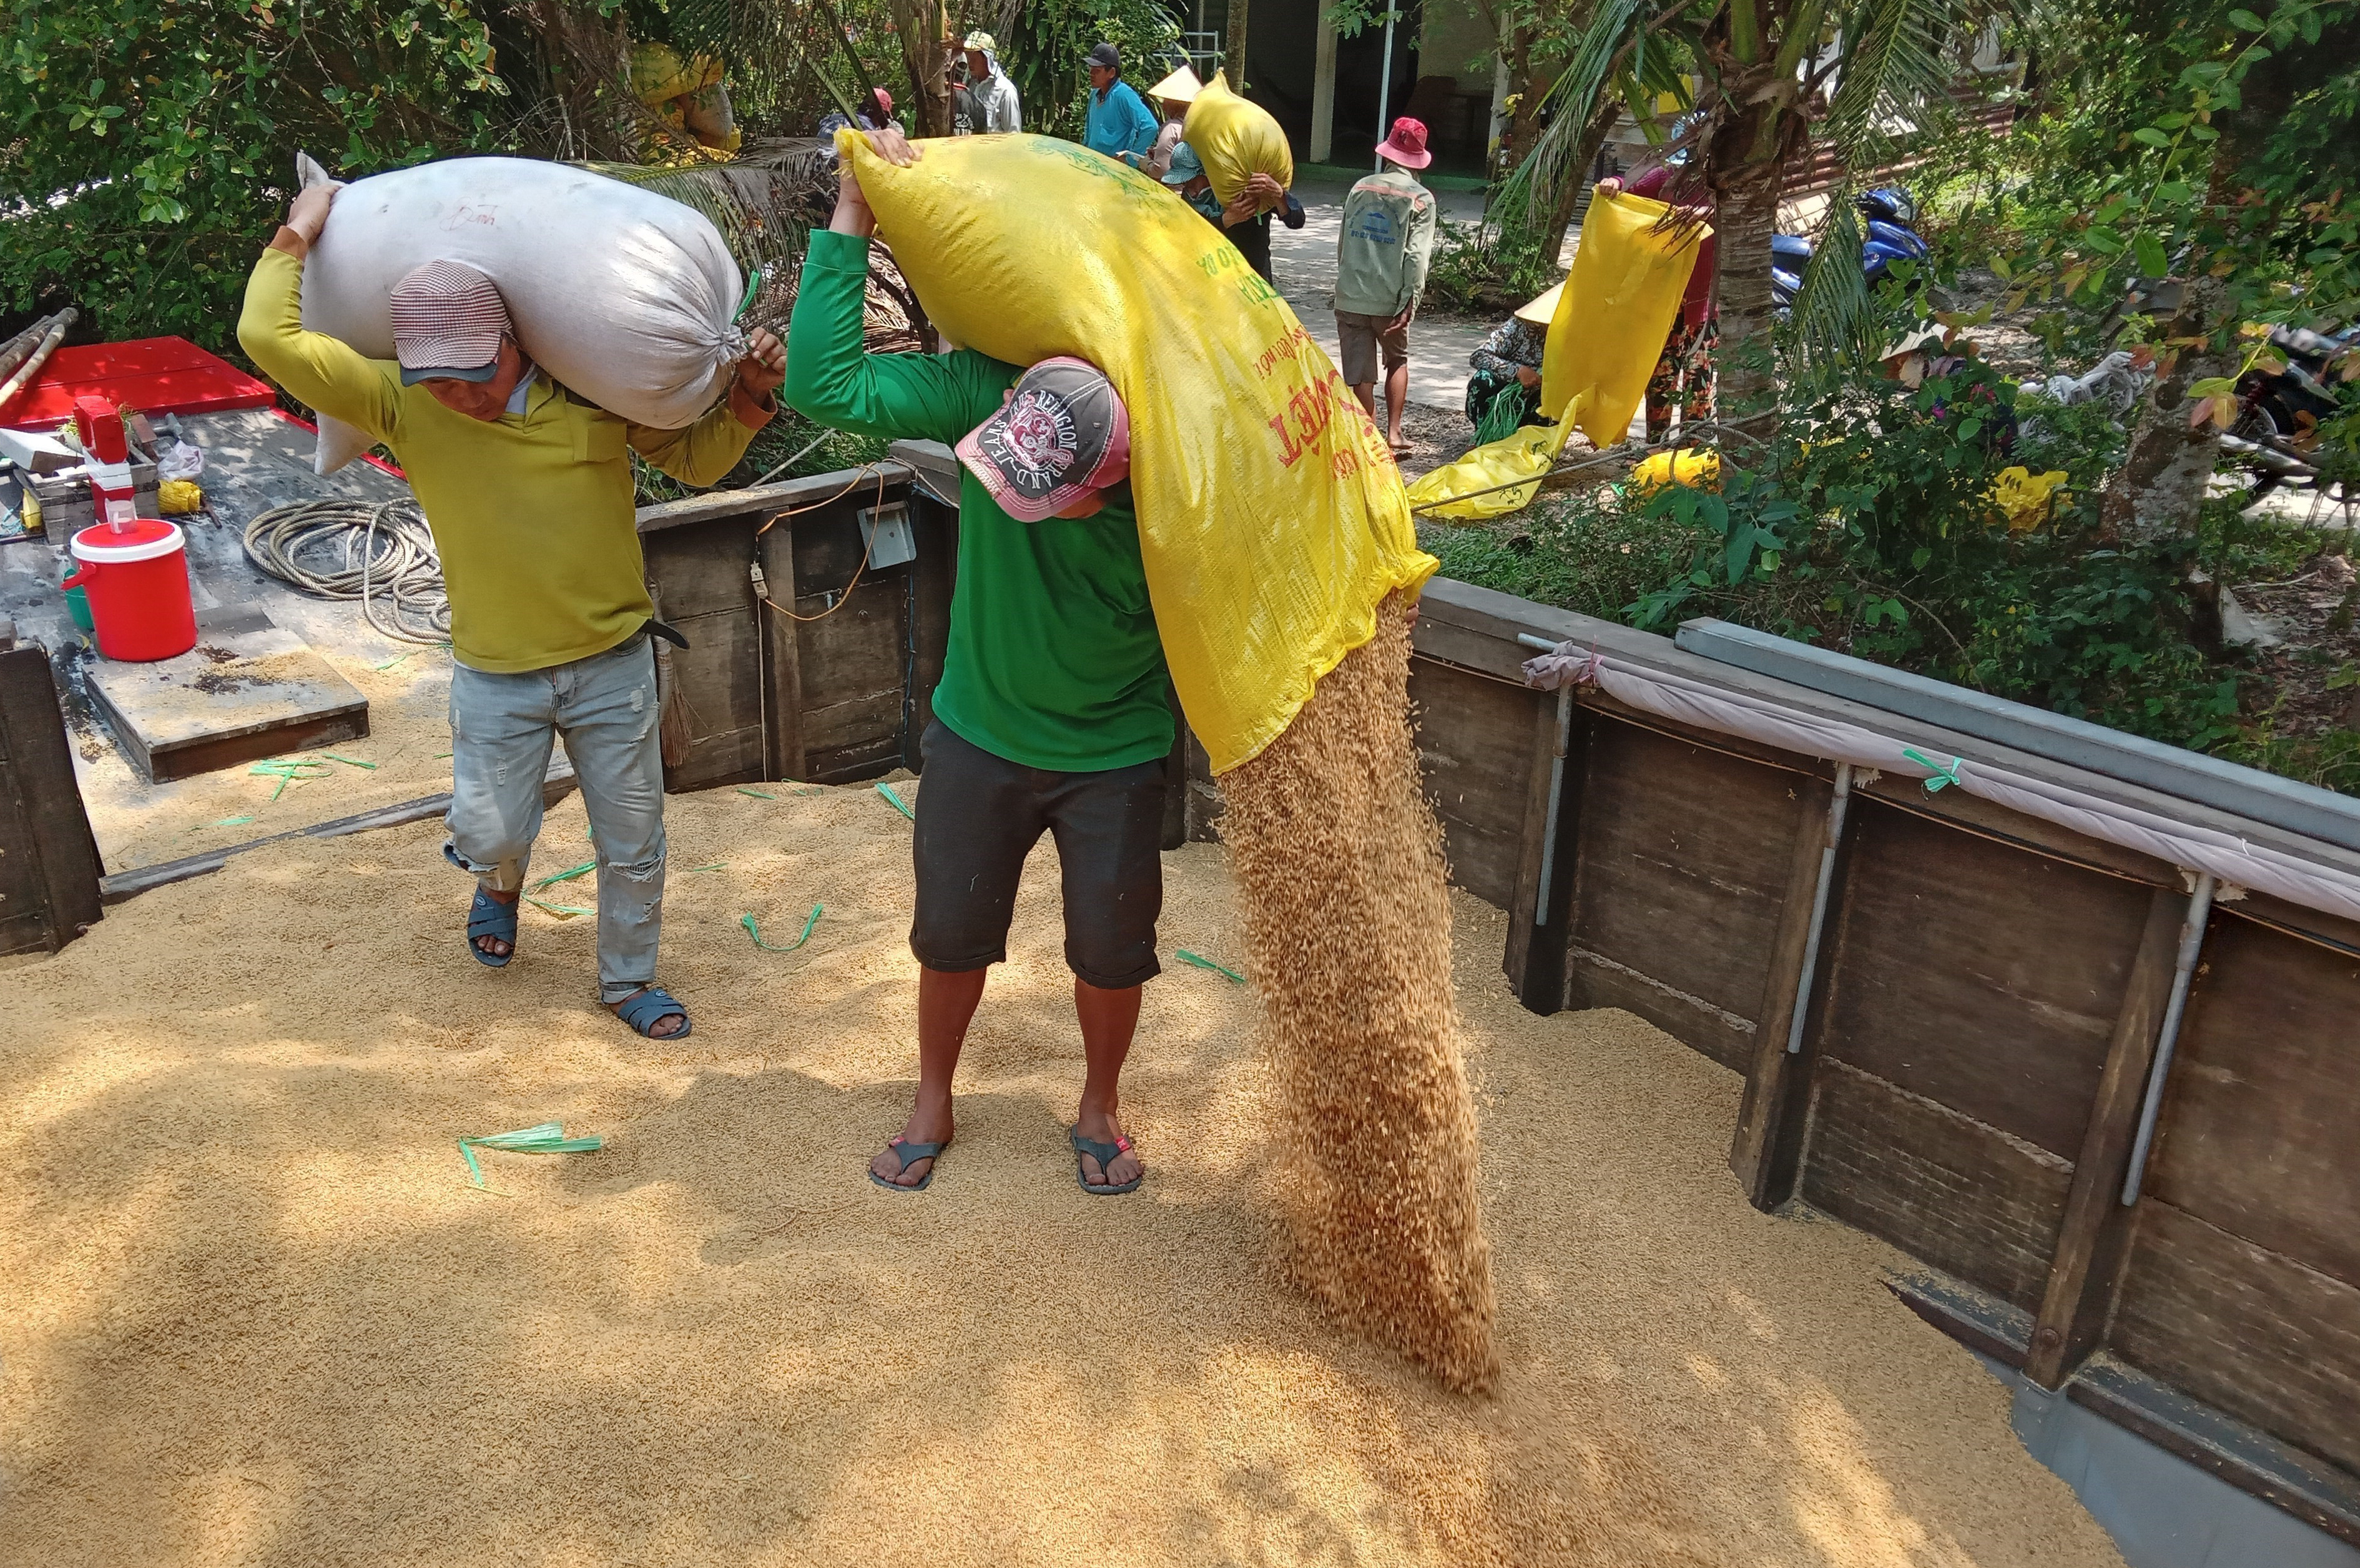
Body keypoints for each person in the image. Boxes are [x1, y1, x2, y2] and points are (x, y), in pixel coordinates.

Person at [237, 185, 784, 1042]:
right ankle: (498, 885)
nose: (462, 396)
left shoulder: (594, 392)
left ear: (513, 339)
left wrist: (752, 396)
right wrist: (301, 225)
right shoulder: (400, 404)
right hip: (495, 670)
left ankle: (628, 981)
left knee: (634, 837)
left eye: (476, 372)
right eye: (440, 382)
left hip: (613, 661)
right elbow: (266, 336)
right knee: (490, 827)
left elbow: (702, 463)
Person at [787, 127, 1172, 1198]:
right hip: (979, 729)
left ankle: (1099, 1103)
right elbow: (825, 387)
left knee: (1112, 947)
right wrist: (856, 212)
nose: (1008, 501)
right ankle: (932, 1095)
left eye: (1044, 492)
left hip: (1115, 748)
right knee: (950, 931)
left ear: (1118, 472)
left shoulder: (1182, 472)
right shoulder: (993, 395)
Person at [1334, 116, 1438, 458]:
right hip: (1391, 298)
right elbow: (1416, 255)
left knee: (1360, 371)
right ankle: (1393, 433)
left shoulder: (1360, 187)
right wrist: (1411, 300)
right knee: (1397, 360)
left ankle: (1371, 437)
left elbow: (1343, 243)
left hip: (1351, 293)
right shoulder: (1421, 198)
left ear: (1389, 151)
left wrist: (1345, 282)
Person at [1596, 165, 1717, 441]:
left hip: (1703, 305)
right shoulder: (1667, 177)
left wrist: (1701, 215)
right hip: (1661, 301)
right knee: (1660, 379)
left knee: (1699, 381)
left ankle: (1691, 452)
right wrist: (1613, 182)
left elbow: (1733, 213)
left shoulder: (1726, 185)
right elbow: (1629, 187)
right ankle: (1655, 445)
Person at [1464, 282, 1557, 437]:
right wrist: (1517, 371)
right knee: (1483, 379)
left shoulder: (1572, 338)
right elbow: (1479, 356)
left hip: (1540, 402)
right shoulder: (1518, 327)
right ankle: (1483, 435)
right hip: (1503, 397)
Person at [1081, 42, 1158, 164]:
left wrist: (1131, 160)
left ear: (1111, 73)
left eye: (1097, 70)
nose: (1091, 73)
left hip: (1114, 171)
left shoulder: (1125, 95)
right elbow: (1088, 130)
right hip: (1092, 166)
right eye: (1091, 68)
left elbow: (1150, 127)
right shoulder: (1094, 95)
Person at [1126, 64, 1202, 180]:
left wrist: (1146, 164)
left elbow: (1161, 170)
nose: (1163, 103)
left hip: (1174, 192)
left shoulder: (1171, 128)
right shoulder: (1199, 126)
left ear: (1173, 102)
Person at [958, 31, 1021, 133]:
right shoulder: (970, 85)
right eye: (968, 56)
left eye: (974, 57)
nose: (970, 62)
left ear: (986, 58)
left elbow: (1013, 133)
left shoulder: (1005, 91)